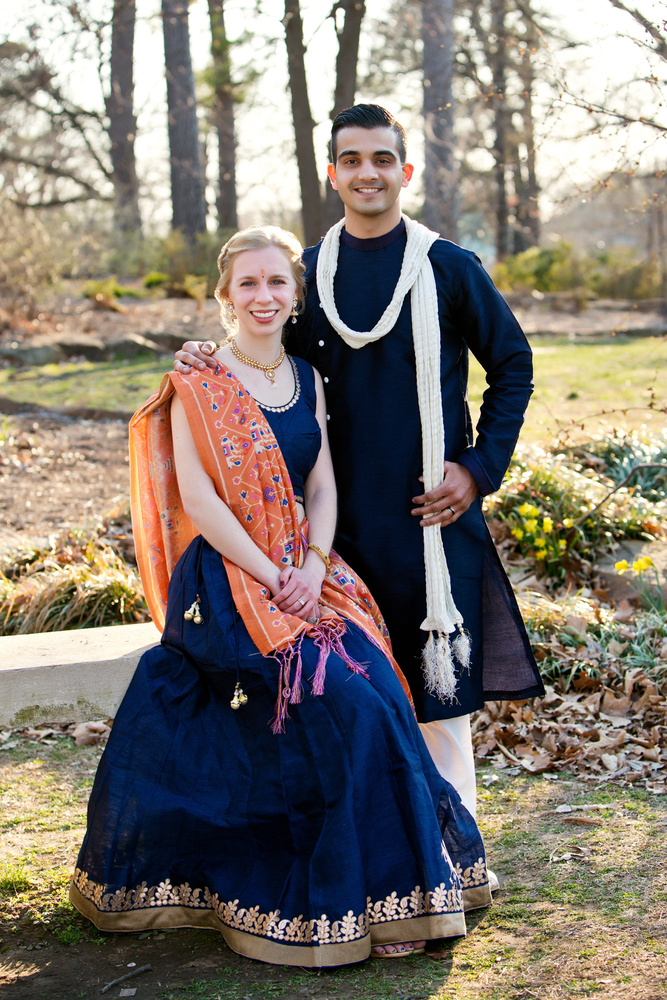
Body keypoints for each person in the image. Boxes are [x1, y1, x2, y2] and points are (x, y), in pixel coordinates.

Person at [69, 225, 492, 968]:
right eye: (247, 285)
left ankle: (399, 900)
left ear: (294, 295)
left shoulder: (307, 377)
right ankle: (350, 899)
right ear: (223, 297)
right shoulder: (196, 385)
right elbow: (201, 504)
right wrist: (274, 576)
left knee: (379, 694)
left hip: (309, 567)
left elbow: (320, 484)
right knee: (338, 704)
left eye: (276, 283)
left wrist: (314, 561)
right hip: (232, 584)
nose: (263, 297)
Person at [174, 105, 544, 831]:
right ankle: (376, 852)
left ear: (404, 172)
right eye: (350, 160)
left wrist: (476, 468)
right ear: (332, 173)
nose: (366, 173)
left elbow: (512, 364)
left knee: (439, 701)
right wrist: (201, 359)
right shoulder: (309, 272)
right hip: (328, 531)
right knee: (346, 694)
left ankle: (455, 851)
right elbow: (263, 355)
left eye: (381, 159)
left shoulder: (447, 266)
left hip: (426, 520)